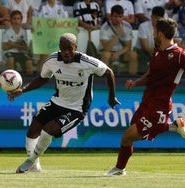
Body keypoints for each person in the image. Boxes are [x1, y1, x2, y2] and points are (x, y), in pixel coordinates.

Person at [104, 17, 185, 176]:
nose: (153, 34)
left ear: (161, 33)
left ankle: (119, 169)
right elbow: (151, 74)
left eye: (155, 31)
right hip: (147, 101)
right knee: (130, 137)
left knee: (127, 137)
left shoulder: (180, 55)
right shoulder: (157, 51)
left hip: (160, 106)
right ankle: (171, 126)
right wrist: (136, 83)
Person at [8, 32, 120, 173]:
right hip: (57, 102)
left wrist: (111, 96)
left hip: (77, 108)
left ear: (75, 47)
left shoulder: (87, 62)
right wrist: (23, 90)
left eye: (70, 49)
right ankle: (35, 165)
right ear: (59, 48)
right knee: (33, 129)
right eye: (63, 49)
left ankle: (30, 160)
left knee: (48, 130)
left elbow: (109, 72)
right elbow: (42, 78)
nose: (66, 53)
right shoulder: (52, 60)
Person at [99, 5, 136, 75]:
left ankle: (132, 79)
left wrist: (118, 54)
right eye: (115, 16)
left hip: (122, 52)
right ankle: (106, 78)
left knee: (133, 55)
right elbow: (106, 48)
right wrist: (117, 35)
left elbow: (128, 47)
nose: (118, 19)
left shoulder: (127, 26)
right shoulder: (105, 27)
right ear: (111, 16)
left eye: (120, 17)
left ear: (123, 17)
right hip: (108, 52)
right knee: (106, 55)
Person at [34, 0, 69, 73]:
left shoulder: (60, 6)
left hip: (58, 35)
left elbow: (67, 20)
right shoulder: (43, 6)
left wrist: (73, 27)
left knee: (60, 56)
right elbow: (37, 20)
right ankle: (40, 75)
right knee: (44, 56)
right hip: (45, 35)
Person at [131, 6, 165, 74]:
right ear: (151, 16)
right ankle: (133, 79)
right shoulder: (143, 26)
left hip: (158, 51)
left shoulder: (165, 27)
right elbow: (145, 47)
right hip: (141, 51)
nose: (156, 20)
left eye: (159, 18)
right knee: (133, 54)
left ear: (163, 18)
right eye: (155, 17)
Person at [2, 10, 33, 74]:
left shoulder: (24, 32)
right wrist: (18, 43)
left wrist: (11, 43)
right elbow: (4, 47)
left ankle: (29, 82)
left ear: (21, 20)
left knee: (29, 62)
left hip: (21, 52)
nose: (16, 21)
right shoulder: (7, 31)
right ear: (11, 20)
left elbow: (25, 47)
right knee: (11, 59)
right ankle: (11, 80)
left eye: (18, 19)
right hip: (9, 52)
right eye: (14, 19)